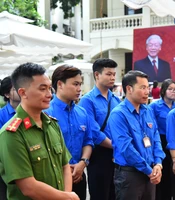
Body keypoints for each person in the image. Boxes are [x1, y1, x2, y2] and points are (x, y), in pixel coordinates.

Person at [0, 62, 79, 200]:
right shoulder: (11, 133)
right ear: (23, 93)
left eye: (49, 88)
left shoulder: (52, 124)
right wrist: (67, 198)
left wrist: (66, 194)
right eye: (43, 89)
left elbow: (65, 166)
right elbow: (28, 187)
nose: (49, 94)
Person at [108, 70, 165, 200]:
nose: (147, 92)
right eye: (143, 88)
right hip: (130, 175)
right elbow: (126, 148)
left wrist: (158, 163)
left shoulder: (147, 110)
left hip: (150, 172)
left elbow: (155, 137)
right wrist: (149, 170)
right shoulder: (118, 114)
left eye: (148, 88)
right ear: (129, 89)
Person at [45, 65, 94, 200]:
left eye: (80, 84)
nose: (79, 89)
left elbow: (88, 141)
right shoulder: (46, 113)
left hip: (79, 175)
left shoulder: (82, 113)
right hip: (55, 177)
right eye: (75, 84)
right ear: (60, 84)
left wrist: (82, 163)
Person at [78, 58, 121, 200]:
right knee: (100, 194)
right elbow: (94, 133)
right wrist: (117, 146)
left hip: (117, 154)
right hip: (99, 154)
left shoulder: (115, 99)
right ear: (97, 75)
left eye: (114, 74)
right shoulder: (87, 100)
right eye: (108, 74)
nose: (113, 77)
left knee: (115, 194)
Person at [149, 79, 175, 200]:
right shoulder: (155, 106)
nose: (173, 92)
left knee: (173, 174)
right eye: (170, 89)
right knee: (162, 173)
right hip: (161, 140)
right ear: (164, 91)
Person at [0, 76, 21, 199]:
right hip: (6, 171)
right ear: (7, 94)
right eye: (15, 88)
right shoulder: (1, 115)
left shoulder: (32, 113)